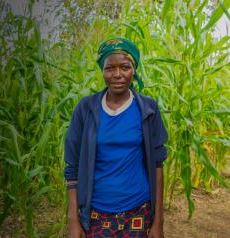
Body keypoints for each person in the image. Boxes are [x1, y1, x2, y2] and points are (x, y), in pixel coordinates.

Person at [64, 38, 168, 238]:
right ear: (102, 70)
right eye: (110, 68)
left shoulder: (147, 109)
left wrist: (158, 221)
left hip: (139, 211)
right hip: (96, 213)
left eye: (125, 67)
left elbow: (158, 165)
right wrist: (73, 220)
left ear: (134, 70)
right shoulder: (86, 109)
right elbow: (72, 168)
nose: (117, 74)